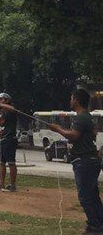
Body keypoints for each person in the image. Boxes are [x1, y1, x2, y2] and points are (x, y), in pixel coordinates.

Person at [48, 88, 103, 233]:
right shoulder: (87, 116)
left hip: (84, 161)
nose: (70, 101)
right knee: (93, 195)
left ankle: (95, 226)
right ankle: (98, 223)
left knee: (85, 196)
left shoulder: (81, 117)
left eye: (71, 98)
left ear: (76, 100)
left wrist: (57, 129)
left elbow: (73, 135)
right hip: (89, 160)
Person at [0, 92, 19, 192]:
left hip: (10, 139)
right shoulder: (2, 111)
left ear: (6, 100)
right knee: (1, 162)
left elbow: (13, 109)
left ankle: (13, 185)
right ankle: (1, 183)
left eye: (0, 99)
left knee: (11, 162)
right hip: (2, 139)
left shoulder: (11, 110)